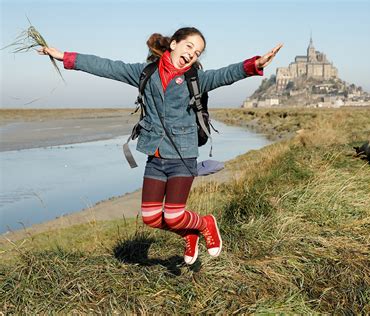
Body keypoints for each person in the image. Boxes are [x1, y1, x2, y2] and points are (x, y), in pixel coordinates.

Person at [39, 27, 282, 265]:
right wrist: (65, 57)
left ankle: (205, 223)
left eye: (197, 52)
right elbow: (108, 67)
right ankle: (189, 234)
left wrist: (256, 64)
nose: (192, 54)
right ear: (174, 44)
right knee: (151, 218)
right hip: (155, 156)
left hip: (182, 156)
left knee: (175, 215)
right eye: (189, 46)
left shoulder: (196, 78)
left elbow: (226, 74)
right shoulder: (146, 72)